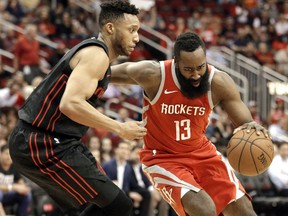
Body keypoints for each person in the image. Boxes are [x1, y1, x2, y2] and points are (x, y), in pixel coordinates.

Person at [8, 1, 147, 216]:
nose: (136, 37)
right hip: (41, 142)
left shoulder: (98, 56)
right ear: (110, 28)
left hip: (54, 142)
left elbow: (124, 73)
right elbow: (70, 104)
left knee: (96, 207)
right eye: (132, 30)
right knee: (118, 206)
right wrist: (119, 128)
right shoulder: (96, 55)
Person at [111, 31, 269, 216]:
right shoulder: (154, 74)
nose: (196, 75)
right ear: (176, 63)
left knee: (244, 211)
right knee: (204, 209)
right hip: (162, 157)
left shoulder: (218, 82)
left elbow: (245, 123)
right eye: (189, 69)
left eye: (200, 67)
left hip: (202, 153)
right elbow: (105, 73)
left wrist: (253, 128)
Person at [0, 144, 32, 216]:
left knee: (27, 195)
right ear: (1, 154)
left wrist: (24, 188)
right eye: (6, 154)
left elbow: (21, 184)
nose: (8, 157)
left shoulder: (14, 167)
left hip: (7, 196)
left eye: (10, 155)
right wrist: (13, 187)